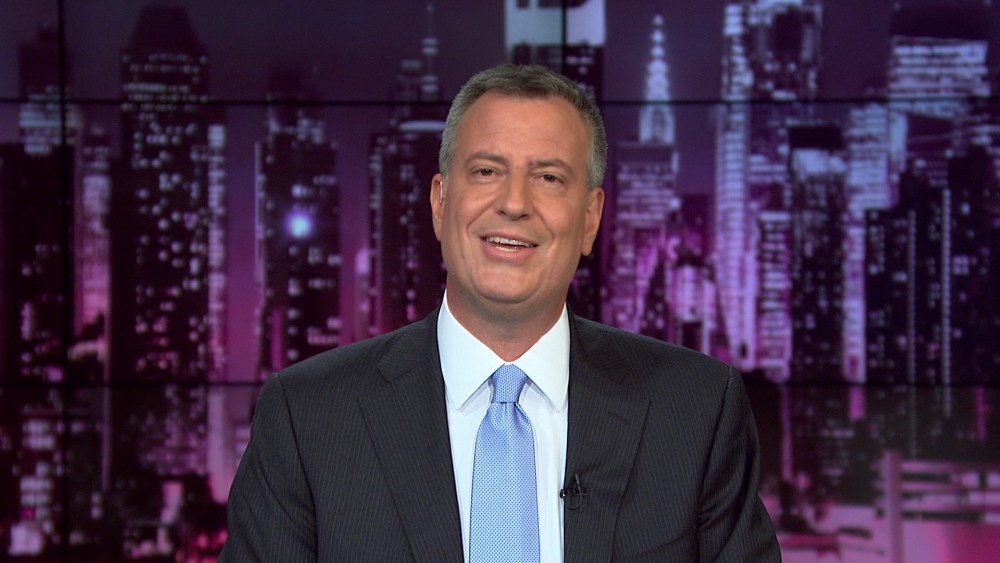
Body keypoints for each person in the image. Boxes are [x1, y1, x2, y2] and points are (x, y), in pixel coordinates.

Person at [220, 64, 780, 562]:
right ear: (440, 202)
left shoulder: (696, 411)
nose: (514, 203)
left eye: (549, 177)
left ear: (590, 218)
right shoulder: (308, 417)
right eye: (487, 171)